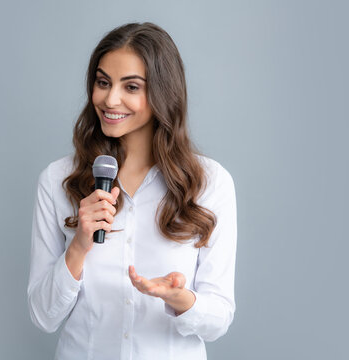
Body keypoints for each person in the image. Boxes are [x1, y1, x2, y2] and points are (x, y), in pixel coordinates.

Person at [27, 22, 237, 360]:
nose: (110, 99)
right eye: (103, 82)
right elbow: (42, 315)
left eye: (131, 86)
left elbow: (219, 319)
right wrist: (79, 246)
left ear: (163, 93)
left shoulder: (210, 183)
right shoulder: (57, 181)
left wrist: (179, 299)